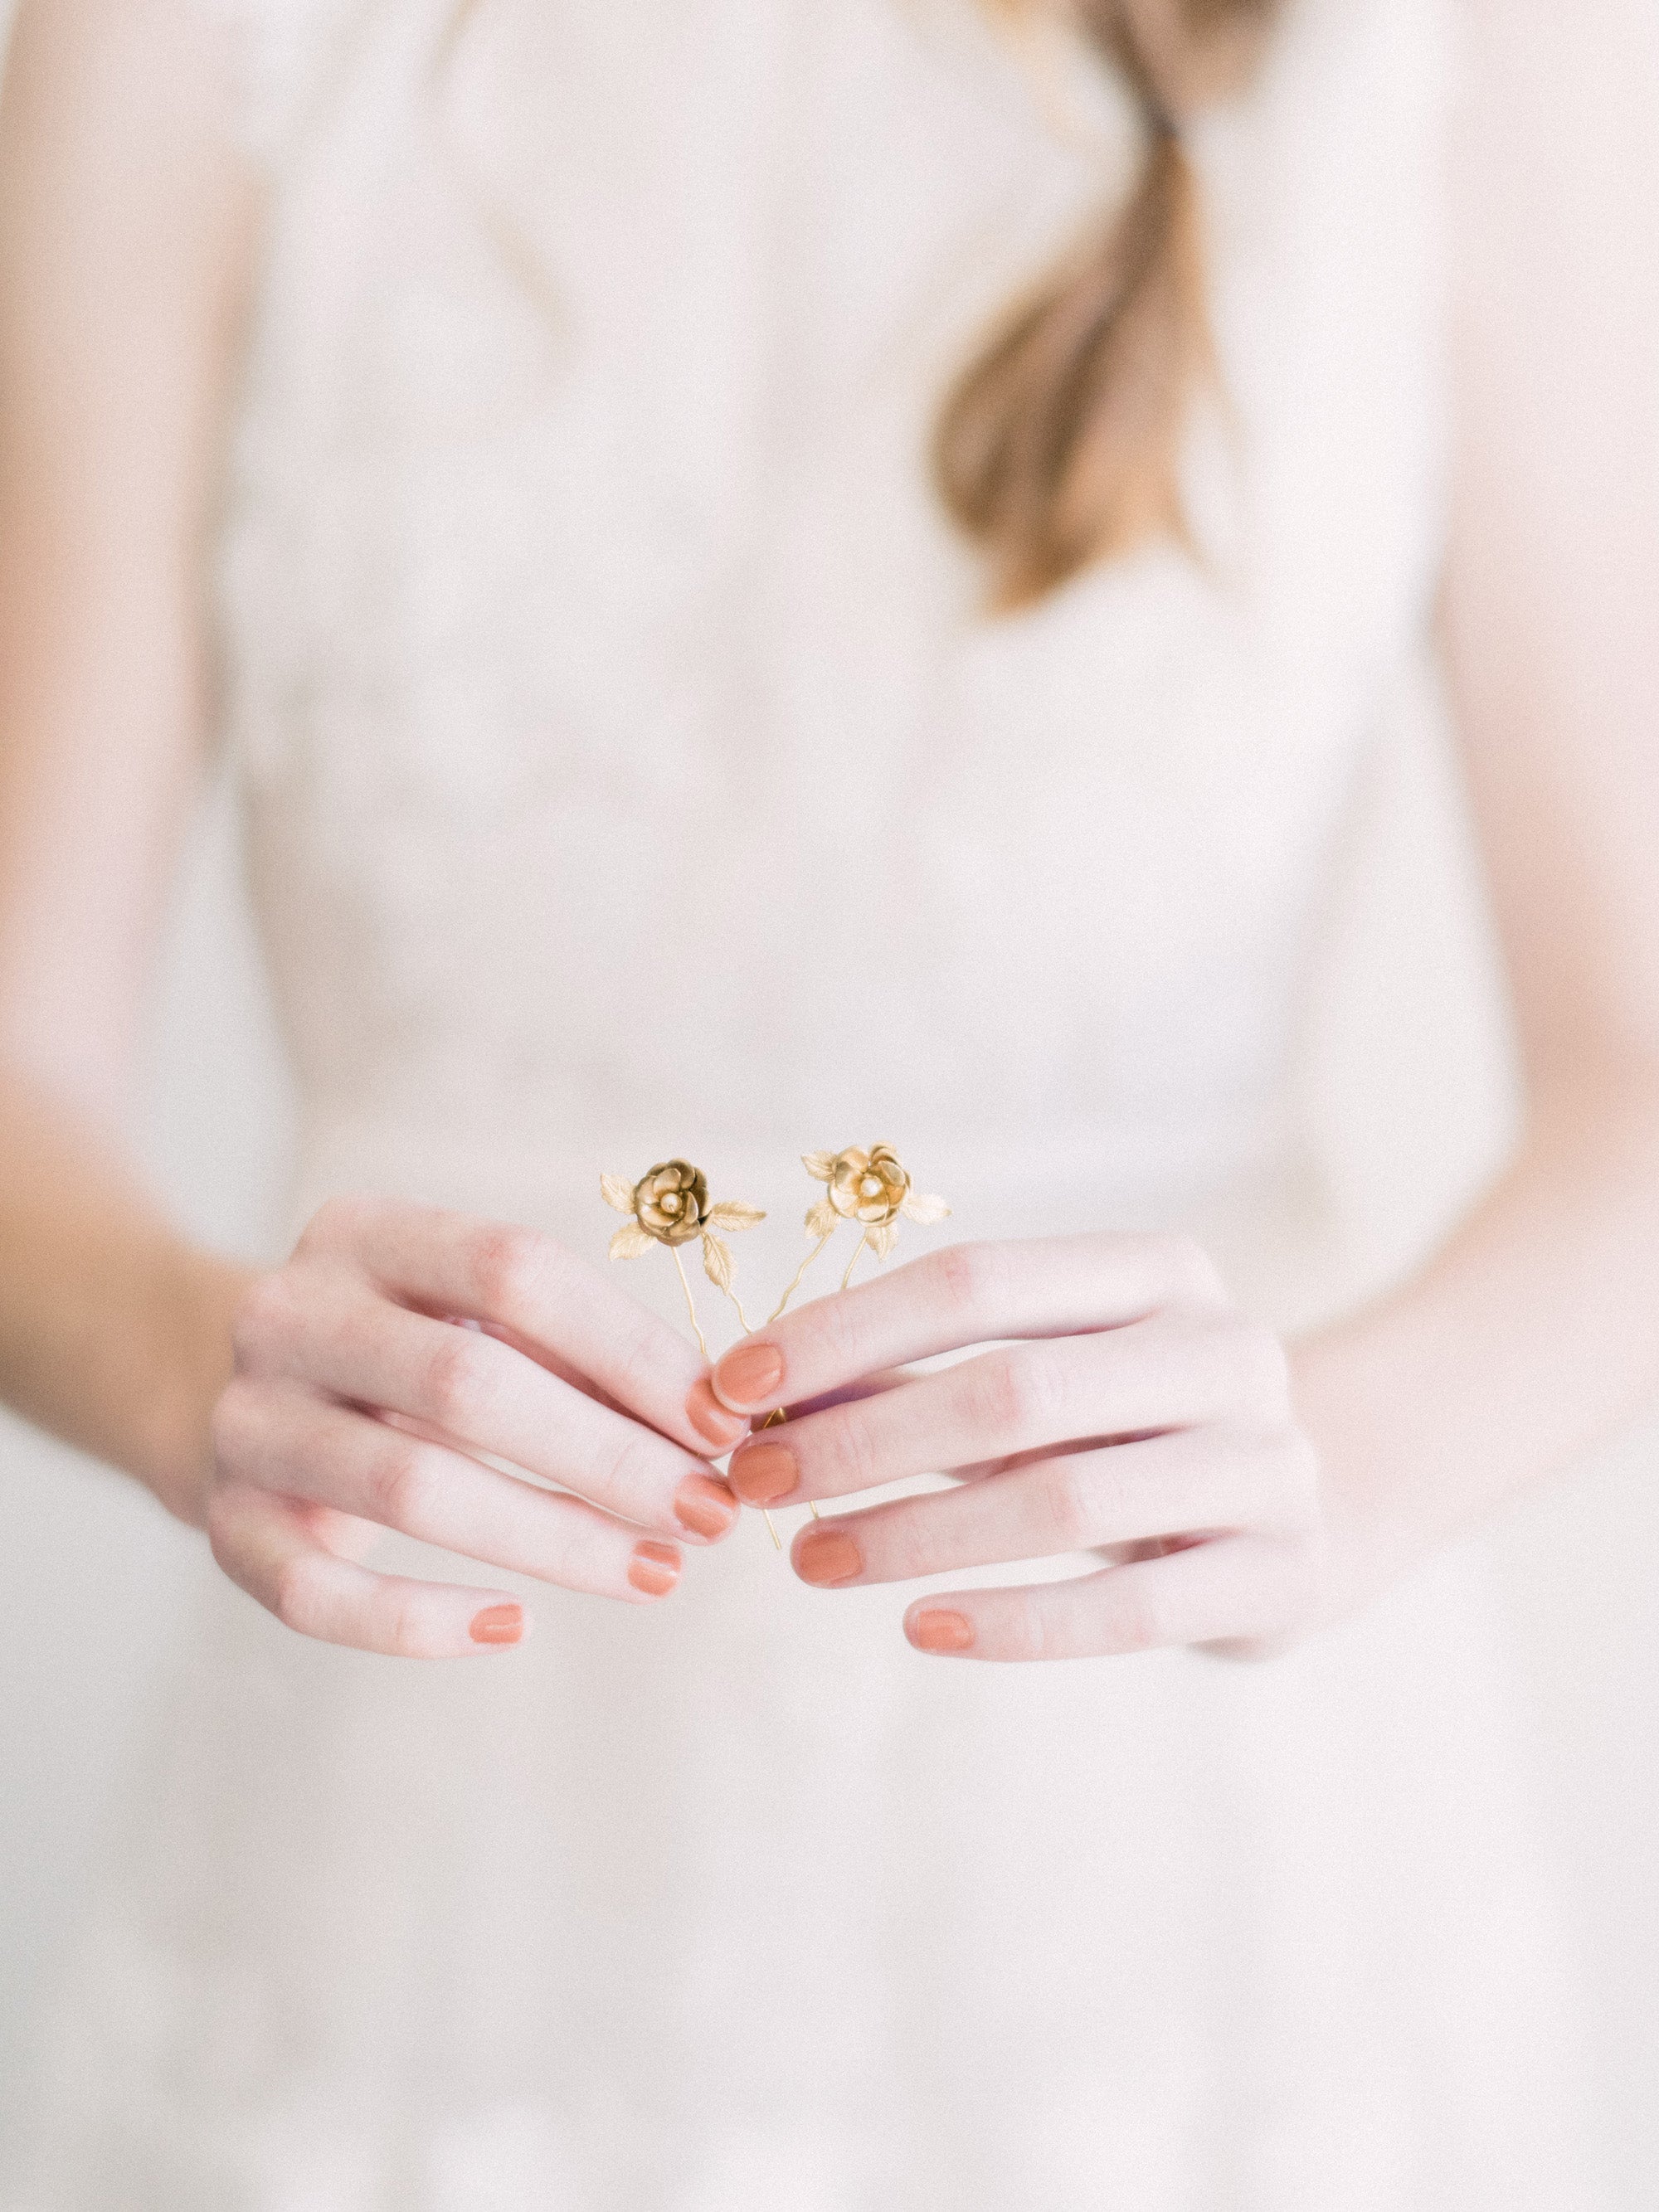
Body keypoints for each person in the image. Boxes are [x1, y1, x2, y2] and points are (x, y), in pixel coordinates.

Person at [0, 0, 1652, 2201]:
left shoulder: (1443, 53)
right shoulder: (181, 46)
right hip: (419, 1881)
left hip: (1197, 1891)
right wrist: (196, 1361)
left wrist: (1339, 1457)